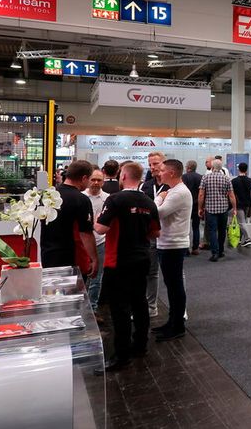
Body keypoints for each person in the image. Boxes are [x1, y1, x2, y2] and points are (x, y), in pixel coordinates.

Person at [94, 162, 160, 371]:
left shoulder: (115, 200)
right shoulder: (149, 202)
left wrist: (96, 220)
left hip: (118, 260)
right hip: (141, 258)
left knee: (120, 308)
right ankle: (140, 346)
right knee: (139, 302)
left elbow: (101, 228)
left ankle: (121, 356)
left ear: (123, 176)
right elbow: (155, 232)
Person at [152, 159, 192, 341]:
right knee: (172, 286)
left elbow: (157, 212)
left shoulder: (178, 193)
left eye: (162, 170)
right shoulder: (175, 191)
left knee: (175, 287)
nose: (159, 173)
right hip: (168, 243)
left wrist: (159, 198)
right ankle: (173, 322)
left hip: (173, 245)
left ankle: (177, 326)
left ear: (172, 173)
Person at [40, 160, 98, 279]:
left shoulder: (48, 196)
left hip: (48, 256)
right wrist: (93, 259)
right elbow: (85, 233)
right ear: (84, 178)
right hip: (72, 260)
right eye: (89, 180)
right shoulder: (81, 200)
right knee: (74, 296)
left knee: (51, 294)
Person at [141, 151, 168, 318]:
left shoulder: (172, 185)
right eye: (150, 164)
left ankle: (180, 309)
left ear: (164, 163)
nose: (153, 167)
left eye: (156, 163)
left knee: (174, 274)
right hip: (151, 234)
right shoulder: (147, 184)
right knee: (151, 272)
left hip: (169, 235)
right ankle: (151, 307)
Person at [199, 158, 235, 262]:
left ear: (213, 167)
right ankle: (221, 251)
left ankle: (214, 253)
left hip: (210, 209)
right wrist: (235, 208)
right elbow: (231, 196)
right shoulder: (226, 178)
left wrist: (200, 208)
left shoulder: (205, 178)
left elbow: (201, 194)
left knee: (212, 231)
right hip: (223, 208)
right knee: (222, 230)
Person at [83, 168, 109, 311]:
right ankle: (79, 308)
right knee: (81, 276)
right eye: (93, 179)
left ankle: (93, 308)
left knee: (96, 278)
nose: (95, 183)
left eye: (99, 180)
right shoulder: (81, 197)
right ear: (88, 180)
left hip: (100, 242)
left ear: (103, 182)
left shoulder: (108, 198)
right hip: (82, 243)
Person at [231, 162, 251, 247]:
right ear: (246, 169)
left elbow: (232, 194)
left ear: (238, 169)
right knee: (243, 222)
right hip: (247, 204)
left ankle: (248, 239)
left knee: (241, 223)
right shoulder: (250, 181)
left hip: (239, 204)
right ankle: (242, 240)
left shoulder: (234, 181)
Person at [182, 160, 203, 255]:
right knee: (196, 227)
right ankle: (195, 248)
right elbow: (202, 193)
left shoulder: (184, 177)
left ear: (188, 167)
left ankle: (186, 249)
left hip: (186, 205)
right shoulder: (200, 177)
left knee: (185, 228)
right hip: (197, 205)